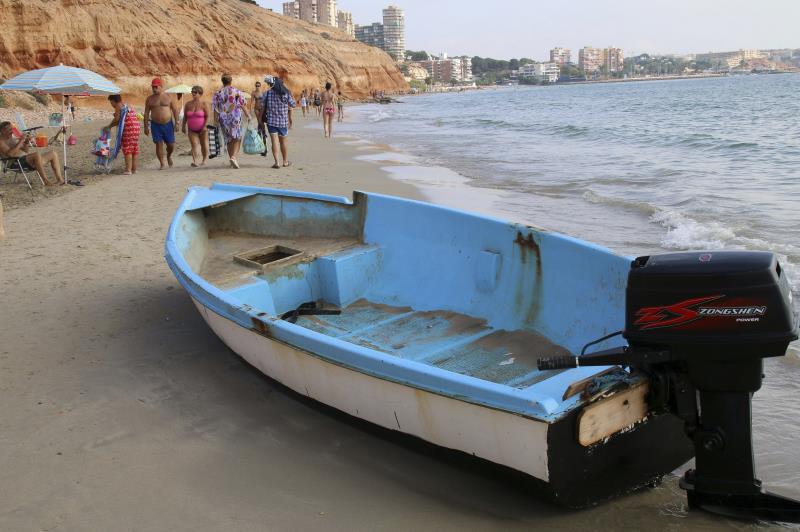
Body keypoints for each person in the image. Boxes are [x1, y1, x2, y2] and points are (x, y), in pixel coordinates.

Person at [0, 120, 66, 185]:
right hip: (14, 163)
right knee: (36, 154)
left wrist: (26, 142)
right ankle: (45, 180)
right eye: (9, 129)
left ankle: (60, 179)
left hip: (26, 160)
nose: (11, 131)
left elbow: (25, 151)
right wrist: (21, 141)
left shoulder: (12, 139)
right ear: (2, 131)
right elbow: (10, 154)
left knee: (53, 153)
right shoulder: (1, 141)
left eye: (11, 129)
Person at [212, 74, 250, 169]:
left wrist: (215, 121)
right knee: (238, 137)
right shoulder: (237, 91)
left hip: (223, 118)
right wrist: (248, 115)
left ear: (222, 81)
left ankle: (231, 159)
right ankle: (233, 157)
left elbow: (215, 108)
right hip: (235, 116)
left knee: (228, 139)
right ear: (231, 81)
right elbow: (242, 104)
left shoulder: (218, 93)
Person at [143, 78, 180, 169]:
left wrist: (177, 123)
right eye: (153, 87)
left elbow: (175, 110)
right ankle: (162, 163)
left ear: (161, 86)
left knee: (171, 145)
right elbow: (146, 113)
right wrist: (145, 127)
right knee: (158, 144)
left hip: (168, 124)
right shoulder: (149, 99)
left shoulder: (169, 97)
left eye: (156, 87)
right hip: (155, 125)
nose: (154, 89)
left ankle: (168, 156)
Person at [262, 75, 296, 169]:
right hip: (283, 122)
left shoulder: (267, 93)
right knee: (283, 142)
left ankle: (277, 162)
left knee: (274, 142)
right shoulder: (285, 94)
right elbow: (293, 104)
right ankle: (285, 162)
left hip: (271, 121)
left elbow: (261, 105)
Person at [105, 94, 141, 175]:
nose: (111, 105)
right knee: (134, 148)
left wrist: (109, 126)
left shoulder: (118, 106)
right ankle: (134, 169)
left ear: (114, 101)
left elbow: (117, 119)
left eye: (111, 103)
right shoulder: (125, 104)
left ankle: (128, 170)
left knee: (127, 148)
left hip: (129, 127)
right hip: (136, 127)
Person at [181, 85, 210, 167]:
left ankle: (204, 160)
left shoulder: (204, 104)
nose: (193, 93)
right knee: (194, 144)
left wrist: (204, 126)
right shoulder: (188, 104)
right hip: (191, 129)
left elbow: (207, 116)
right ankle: (195, 161)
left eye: (195, 92)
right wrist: (183, 126)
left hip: (203, 128)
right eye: (192, 92)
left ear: (200, 94)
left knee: (203, 144)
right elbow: (185, 116)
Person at [250, 81, 267, 156]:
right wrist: (250, 110)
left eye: (258, 85)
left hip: (262, 108)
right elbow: (251, 101)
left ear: (260, 86)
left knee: (261, 122)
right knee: (259, 121)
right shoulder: (253, 93)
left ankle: (261, 132)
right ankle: (262, 132)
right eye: (256, 85)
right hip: (256, 109)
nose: (257, 87)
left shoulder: (263, 92)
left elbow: (265, 101)